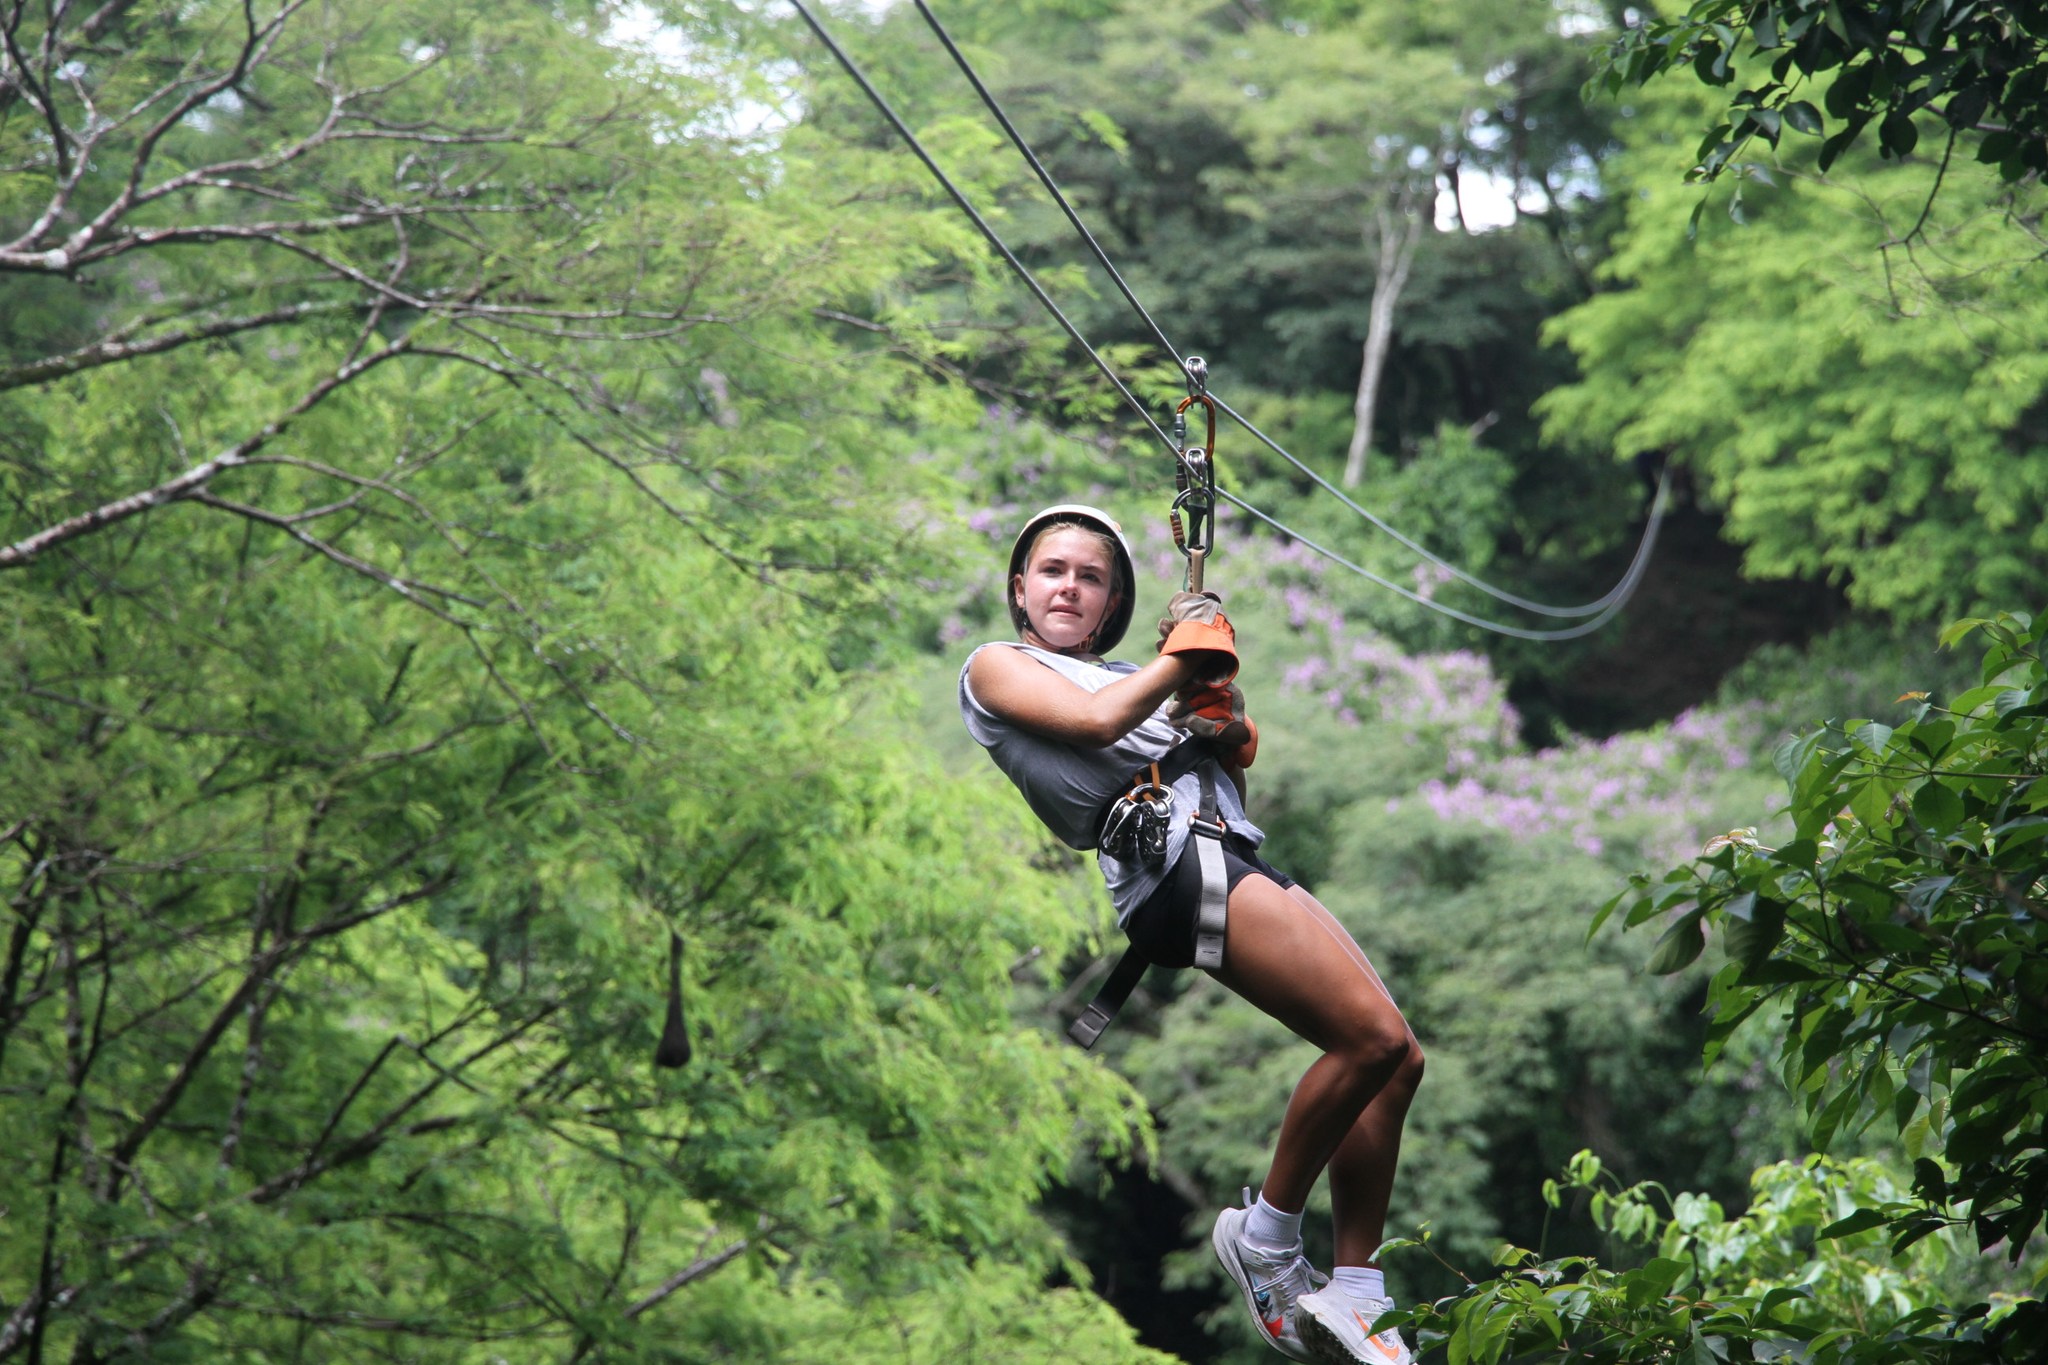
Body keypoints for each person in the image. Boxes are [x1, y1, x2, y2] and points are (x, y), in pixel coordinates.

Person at [958, 505, 1426, 1365]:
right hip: (1174, 866)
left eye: (1090, 577)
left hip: (1225, 845)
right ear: (1020, 589)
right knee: (1368, 1038)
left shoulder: (1132, 677)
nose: (1069, 587)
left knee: (1399, 1058)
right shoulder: (998, 666)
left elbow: (1230, 748)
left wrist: (1218, 711)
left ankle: (1359, 1289)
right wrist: (1188, 654)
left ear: (1111, 604)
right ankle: (1266, 1235)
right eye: (1053, 571)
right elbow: (1096, 726)